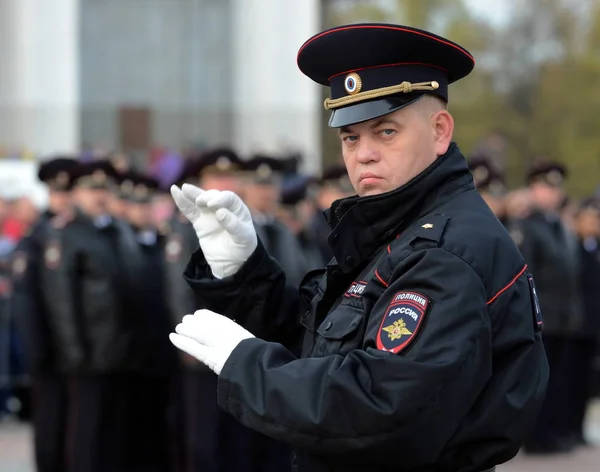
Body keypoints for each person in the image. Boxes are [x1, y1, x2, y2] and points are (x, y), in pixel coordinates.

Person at [169, 24, 548, 472]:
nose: (362, 153)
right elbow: (324, 349)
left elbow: (379, 406)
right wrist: (244, 276)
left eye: (385, 132)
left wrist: (249, 366)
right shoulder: (399, 226)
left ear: (440, 131)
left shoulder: (446, 252)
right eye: (350, 137)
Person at [11, 156, 77, 472]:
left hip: (78, 351)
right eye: (57, 193)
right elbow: (26, 301)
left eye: (68, 192)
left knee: (76, 430)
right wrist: (37, 351)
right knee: (51, 425)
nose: (63, 199)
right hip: (49, 350)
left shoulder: (79, 232)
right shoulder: (37, 237)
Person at [515, 161, 582, 454]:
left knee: (560, 380)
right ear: (532, 189)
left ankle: (554, 431)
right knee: (542, 381)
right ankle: (539, 437)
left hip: (563, 317)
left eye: (554, 188)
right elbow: (525, 275)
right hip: (542, 318)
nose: (551, 193)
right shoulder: (527, 226)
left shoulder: (557, 225)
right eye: (544, 187)